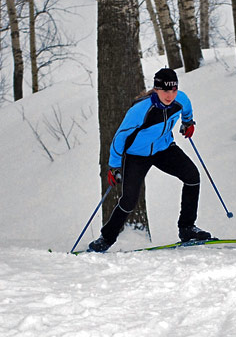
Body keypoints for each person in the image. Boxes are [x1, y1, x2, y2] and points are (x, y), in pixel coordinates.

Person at [88, 68, 212, 252]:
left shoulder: (181, 99)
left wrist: (188, 123)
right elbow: (119, 138)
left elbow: (187, 109)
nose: (170, 95)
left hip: (164, 148)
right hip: (137, 155)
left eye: (173, 90)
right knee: (129, 200)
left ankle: (187, 228)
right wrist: (114, 166)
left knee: (192, 177)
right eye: (165, 90)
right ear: (156, 89)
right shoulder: (140, 110)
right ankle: (105, 239)